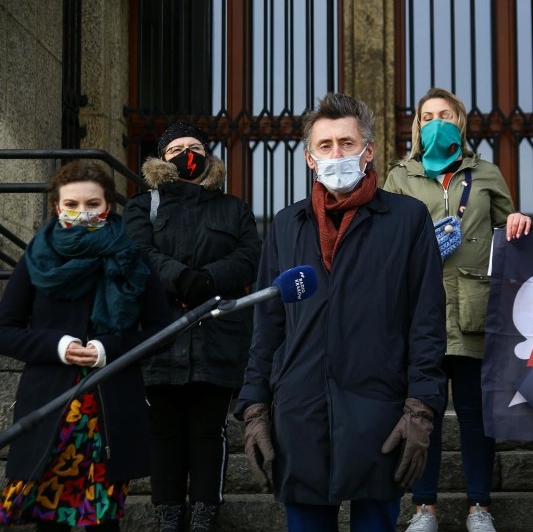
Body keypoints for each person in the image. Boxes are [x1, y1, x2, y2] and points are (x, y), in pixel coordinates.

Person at [234, 93, 446, 532]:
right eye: (325, 146)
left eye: (347, 144)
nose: (336, 154)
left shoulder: (407, 220)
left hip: (379, 412)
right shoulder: (285, 226)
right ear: (309, 158)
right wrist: (254, 408)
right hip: (300, 414)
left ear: (368, 152)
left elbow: (426, 322)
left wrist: (421, 408)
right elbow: (267, 329)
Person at [383, 87, 531, 532]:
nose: (436, 122)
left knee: (475, 414)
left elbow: (508, 224)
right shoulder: (399, 176)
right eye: (427, 116)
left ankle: (478, 506)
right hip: (420, 314)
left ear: (460, 122)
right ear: (417, 125)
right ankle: (423, 507)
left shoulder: (484, 173)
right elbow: (384, 237)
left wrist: (519, 220)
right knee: (421, 412)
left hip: (474, 311)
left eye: (445, 115)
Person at [0, 161, 170, 531]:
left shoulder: (133, 257)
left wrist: (110, 348)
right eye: (71, 204)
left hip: (108, 408)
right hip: (49, 408)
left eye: (92, 204)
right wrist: (56, 345)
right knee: (49, 518)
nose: (81, 212)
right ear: (56, 207)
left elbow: (162, 330)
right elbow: (5, 329)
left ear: (107, 206)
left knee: (102, 521)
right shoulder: (36, 258)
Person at [124, 122, 262, 531]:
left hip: (217, 336)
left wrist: (206, 281)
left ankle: (204, 513)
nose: (187, 153)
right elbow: (137, 252)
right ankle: (168, 513)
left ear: (208, 156)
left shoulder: (232, 208)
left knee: (207, 429)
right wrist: (181, 279)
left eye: (196, 146)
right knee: (162, 429)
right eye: (177, 148)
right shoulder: (142, 205)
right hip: (159, 334)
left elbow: (249, 256)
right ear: (161, 158)